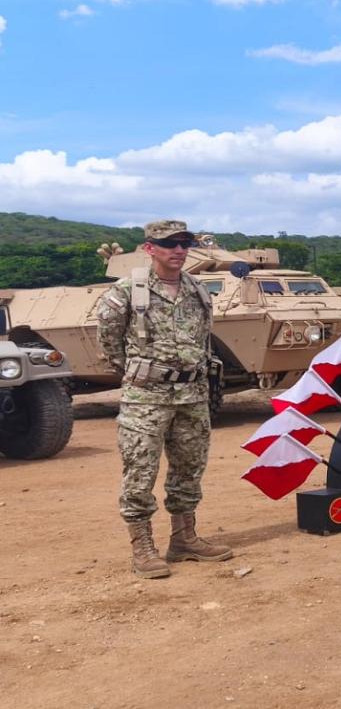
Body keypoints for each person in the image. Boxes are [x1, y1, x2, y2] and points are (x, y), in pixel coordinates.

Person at [97, 220, 232, 579]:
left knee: (189, 468)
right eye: (169, 243)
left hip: (192, 396)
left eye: (184, 243)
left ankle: (184, 539)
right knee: (140, 471)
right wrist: (145, 375)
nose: (179, 250)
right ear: (149, 248)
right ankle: (142, 547)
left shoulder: (197, 290)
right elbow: (109, 343)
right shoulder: (127, 291)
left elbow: (203, 339)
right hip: (146, 398)